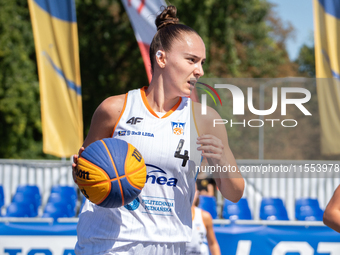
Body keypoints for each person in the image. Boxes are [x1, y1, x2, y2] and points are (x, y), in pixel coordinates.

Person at [73, 5, 244, 255]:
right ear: (161, 58)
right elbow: (86, 178)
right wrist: (83, 172)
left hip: (171, 245)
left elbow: (235, 193)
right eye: (191, 60)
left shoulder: (205, 119)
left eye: (202, 62)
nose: (200, 70)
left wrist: (221, 160)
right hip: (109, 242)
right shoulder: (114, 109)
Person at [186, 187, 221, 255]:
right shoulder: (173, 217)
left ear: (197, 193)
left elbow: (213, 243)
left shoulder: (205, 216)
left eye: (193, 190)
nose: (191, 194)